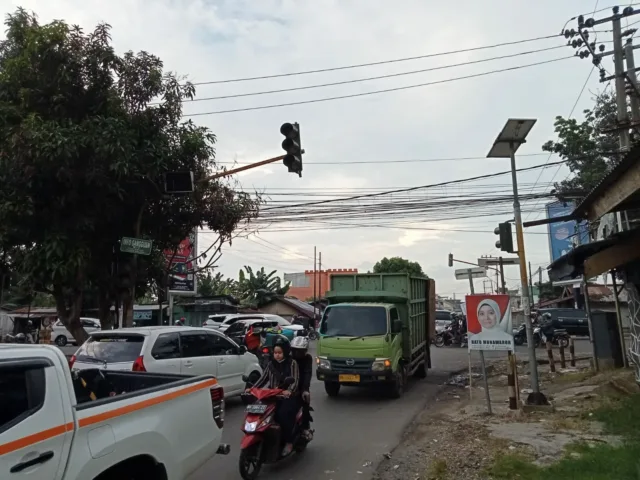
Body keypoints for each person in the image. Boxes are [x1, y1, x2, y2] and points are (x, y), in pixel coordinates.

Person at [247, 337, 300, 456]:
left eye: (280, 353)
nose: (277, 355)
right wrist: (251, 389)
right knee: (260, 413)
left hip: (288, 398)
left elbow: (295, 381)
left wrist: (289, 391)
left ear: (285, 352)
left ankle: (289, 442)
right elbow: (263, 379)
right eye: (275, 353)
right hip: (273, 395)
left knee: (282, 415)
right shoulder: (271, 364)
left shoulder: (292, 363)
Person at [290, 336, 313, 439]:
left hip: (301, 386)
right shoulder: (288, 358)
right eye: (295, 350)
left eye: (300, 351)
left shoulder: (308, 359)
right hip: (288, 387)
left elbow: (308, 374)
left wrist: (305, 389)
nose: (297, 353)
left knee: (305, 401)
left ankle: (305, 428)